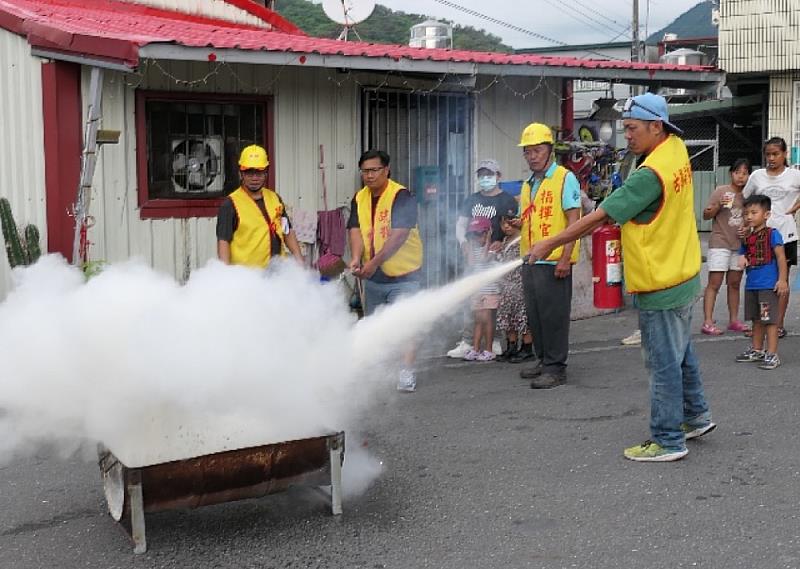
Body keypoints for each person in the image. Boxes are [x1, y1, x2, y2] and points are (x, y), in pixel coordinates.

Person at [530, 93, 714, 462]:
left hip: (660, 277)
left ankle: (667, 440)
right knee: (680, 353)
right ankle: (694, 417)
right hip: (683, 270)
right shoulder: (675, 149)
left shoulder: (650, 175)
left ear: (656, 126)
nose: (625, 136)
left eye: (631, 129)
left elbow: (601, 217)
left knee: (662, 362)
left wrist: (551, 241)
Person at [347, 149, 424, 392]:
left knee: (406, 324)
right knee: (375, 325)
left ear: (386, 170)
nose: (369, 176)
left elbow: (399, 235)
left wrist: (373, 262)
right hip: (374, 278)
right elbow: (355, 230)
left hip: (405, 274)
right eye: (364, 171)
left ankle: (406, 372)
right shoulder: (359, 198)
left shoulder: (402, 196)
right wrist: (357, 258)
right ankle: (379, 373)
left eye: (374, 170)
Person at [515, 123, 581, 389]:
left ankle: (556, 368)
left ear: (550, 150)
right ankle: (543, 360)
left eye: (537, 150)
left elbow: (574, 219)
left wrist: (565, 258)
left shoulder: (565, 178)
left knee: (554, 317)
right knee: (536, 316)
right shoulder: (528, 184)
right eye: (528, 152)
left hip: (554, 261)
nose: (532, 156)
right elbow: (529, 220)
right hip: (531, 261)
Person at [447, 160, 517, 359]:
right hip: (473, 258)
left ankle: (492, 341)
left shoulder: (508, 201)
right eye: (481, 175)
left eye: (489, 175)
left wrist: (502, 243)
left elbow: (514, 228)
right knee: (472, 298)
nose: (485, 179)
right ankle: (468, 341)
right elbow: (460, 225)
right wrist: (463, 243)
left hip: (496, 259)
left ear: (498, 176)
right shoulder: (471, 200)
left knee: (494, 301)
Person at [742, 137, 800, 338]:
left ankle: (778, 323)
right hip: (759, 237)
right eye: (768, 154)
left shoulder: (794, 175)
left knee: (781, 280)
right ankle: (760, 324)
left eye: (776, 154)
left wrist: (794, 207)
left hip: (786, 234)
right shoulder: (757, 176)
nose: (772, 158)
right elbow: (745, 199)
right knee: (761, 280)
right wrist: (746, 225)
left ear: (784, 154)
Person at [217, 145, 305, 267]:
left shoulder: (275, 198)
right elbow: (223, 241)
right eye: (249, 173)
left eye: (259, 173)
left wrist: (299, 261)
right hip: (248, 277)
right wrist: (224, 273)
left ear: (266, 173)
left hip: (279, 273)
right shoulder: (230, 204)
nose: (254, 178)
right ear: (241, 173)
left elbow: (287, 231)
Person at [735, 195, 789, 370]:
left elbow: (781, 258)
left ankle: (772, 354)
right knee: (756, 319)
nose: (749, 216)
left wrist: (782, 280)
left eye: (753, 212)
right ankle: (757, 350)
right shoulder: (747, 237)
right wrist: (742, 258)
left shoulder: (773, 234)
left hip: (767, 286)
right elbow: (743, 253)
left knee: (769, 321)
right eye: (746, 213)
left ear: (766, 215)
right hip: (752, 285)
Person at [700, 159, 752, 335]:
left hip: (739, 245)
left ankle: (734, 320)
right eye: (737, 172)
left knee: (735, 283)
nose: (740, 177)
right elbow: (706, 215)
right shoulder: (722, 191)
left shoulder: (748, 196)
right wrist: (718, 204)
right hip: (720, 242)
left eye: (744, 173)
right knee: (714, 282)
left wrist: (748, 229)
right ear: (731, 173)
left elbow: (753, 218)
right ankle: (707, 321)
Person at [495, 210, 534, 362]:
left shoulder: (524, 240)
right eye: (503, 223)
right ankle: (511, 346)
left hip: (520, 285)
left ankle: (527, 348)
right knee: (508, 318)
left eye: (510, 222)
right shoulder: (504, 241)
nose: (506, 226)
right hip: (506, 287)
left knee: (522, 317)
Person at [462, 217, 500, 362]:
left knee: (488, 320)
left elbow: (485, 259)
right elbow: (471, 263)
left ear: (487, 233)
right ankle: (476, 349)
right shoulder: (474, 249)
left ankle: (489, 349)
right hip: (477, 291)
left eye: (481, 234)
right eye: (474, 235)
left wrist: (489, 240)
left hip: (490, 291)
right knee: (478, 320)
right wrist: (471, 244)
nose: (478, 238)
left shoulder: (493, 248)